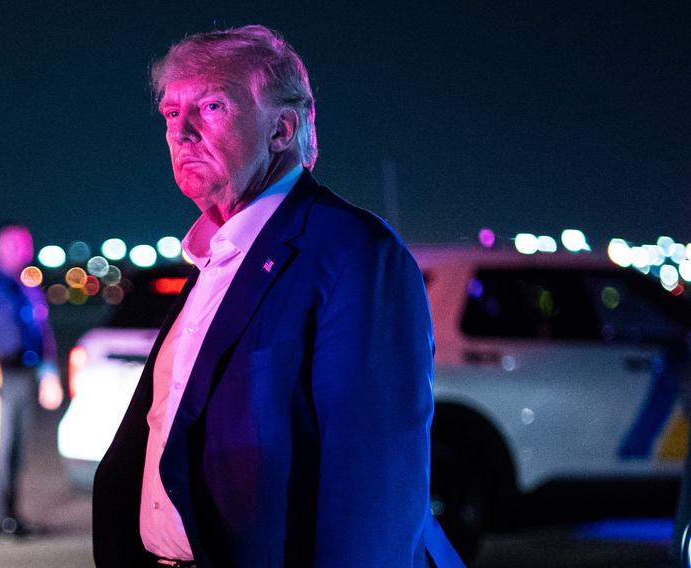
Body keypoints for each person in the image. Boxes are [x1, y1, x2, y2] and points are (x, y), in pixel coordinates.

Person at [93, 25, 463, 567]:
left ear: (282, 129)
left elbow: (373, 490)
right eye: (172, 113)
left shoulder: (355, 253)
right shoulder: (215, 258)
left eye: (211, 106)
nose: (182, 132)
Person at [0, 223, 64, 537]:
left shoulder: (28, 286)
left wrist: (49, 375)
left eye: (25, 244)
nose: (21, 250)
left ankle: (11, 514)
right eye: (13, 244)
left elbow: (42, 335)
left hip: (25, 373)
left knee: (17, 447)